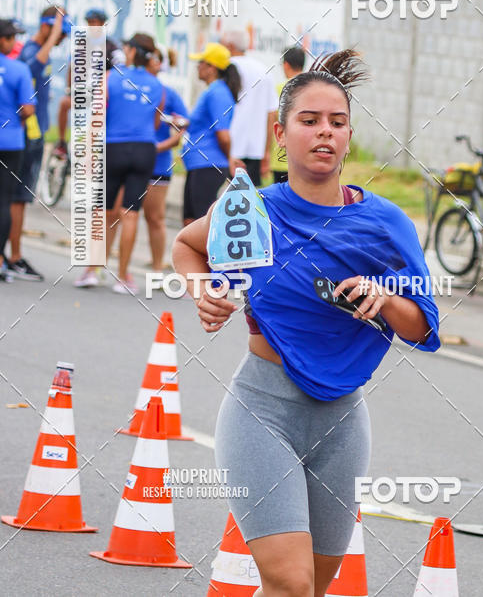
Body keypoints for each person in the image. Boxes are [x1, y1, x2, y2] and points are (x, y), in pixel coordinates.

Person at [172, 49, 440, 597]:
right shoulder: (250, 211)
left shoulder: (384, 223)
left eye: (337, 123)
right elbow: (185, 246)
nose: (325, 133)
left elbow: (422, 328)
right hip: (261, 411)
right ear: (280, 132)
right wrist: (207, 292)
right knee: (289, 582)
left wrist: (386, 297)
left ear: (349, 136)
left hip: (343, 422)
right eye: (309, 120)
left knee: (311, 589)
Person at [75, 33, 165, 294]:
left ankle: (92, 271)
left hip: (114, 148)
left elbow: (96, 117)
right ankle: (123, 277)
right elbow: (156, 123)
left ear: (131, 51)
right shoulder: (157, 85)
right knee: (131, 214)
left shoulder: (111, 77)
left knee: (102, 213)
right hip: (144, 150)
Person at [7, 5, 70, 281]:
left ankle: (12, 255)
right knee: (17, 199)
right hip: (27, 136)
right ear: (46, 28)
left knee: (17, 199)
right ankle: (14, 257)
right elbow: (32, 65)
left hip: (33, 135)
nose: (61, 40)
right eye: (59, 35)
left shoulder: (38, 51)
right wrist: (55, 29)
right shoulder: (31, 52)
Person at [181, 43, 240, 226]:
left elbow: (223, 134)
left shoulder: (218, 93)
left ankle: (207, 256)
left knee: (203, 224)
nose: (197, 66)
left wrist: (230, 157)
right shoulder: (213, 90)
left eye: (201, 63)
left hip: (208, 163)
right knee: (190, 220)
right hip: (199, 163)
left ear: (211, 68)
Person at [54, 7, 125, 160]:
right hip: (84, 93)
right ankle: (61, 142)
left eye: (95, 22)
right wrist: (69, 89)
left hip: (102, 97)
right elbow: (71, 68)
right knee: (64, 103)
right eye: (89, 22)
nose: (92, 26)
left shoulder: (112, 47)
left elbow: (119, 73)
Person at [144, 46, 188, 277]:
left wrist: (166, 144)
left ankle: (157, 269)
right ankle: (100, 269)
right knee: (115, 214)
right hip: (129, 160)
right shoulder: (128, 87)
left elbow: (184, 122)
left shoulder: (167, 93)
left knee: (155, 218)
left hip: (158, 163)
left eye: (157, 60)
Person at [0, 20, 36, 282]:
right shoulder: (18, 69)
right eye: (11, 38)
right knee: (4, 202)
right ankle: (1, 260)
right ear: (3, 40)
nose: (14, 43)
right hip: (10, 142)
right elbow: (28, 109)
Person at [220, 30, 278, 186]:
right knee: (247, 202)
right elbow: (271, 113)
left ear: (230, 46)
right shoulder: (263, 70)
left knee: (220, 203)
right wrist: (266, 151)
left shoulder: (225, 68)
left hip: (226, 146)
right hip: (255, 149)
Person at [270, 45, 306, 183]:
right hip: (303, 158)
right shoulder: (310, 87)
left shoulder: (279, 89)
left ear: (286, 64)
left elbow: (271, 120)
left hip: (280, 156)